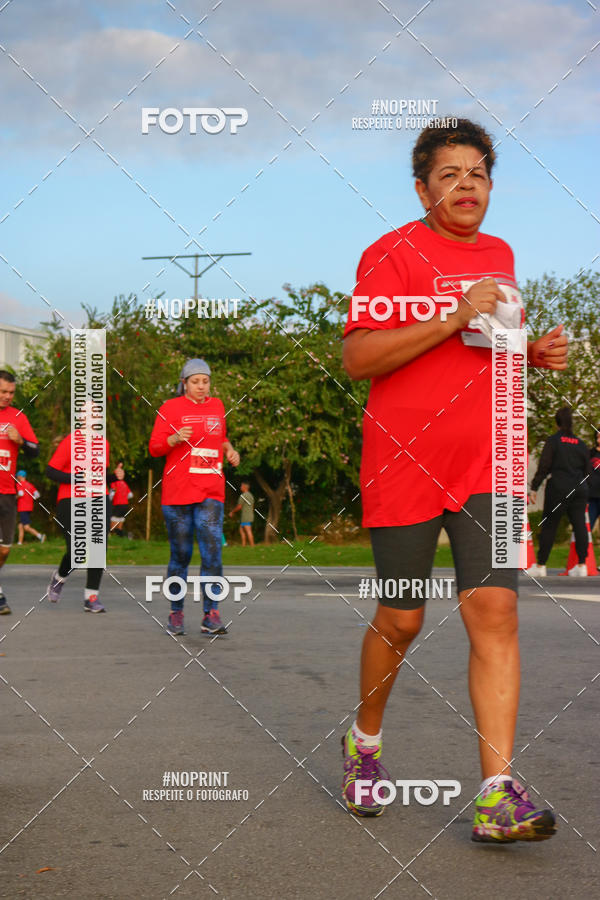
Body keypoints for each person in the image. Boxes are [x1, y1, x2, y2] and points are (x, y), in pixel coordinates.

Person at [342, 119, 568, 843]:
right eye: (449, 174)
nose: (466, 184)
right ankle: (365, 744)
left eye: (478, 172)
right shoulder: (390, 253)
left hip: (490, 465)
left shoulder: (500, 255)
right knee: (403, 617)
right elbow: (360, 358)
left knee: (496, 613)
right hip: (404, 460)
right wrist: (451, 315)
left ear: (491, 187)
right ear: (422, 189)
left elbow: (480, 346)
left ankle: (498, 794)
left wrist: (526, 352)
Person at [149, 358, 240, 636]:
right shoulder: (170, 408)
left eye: (205, 381)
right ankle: (176, 613)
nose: (201, 386)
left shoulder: (218, 406)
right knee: (181, 554)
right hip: (177, 493)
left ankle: (210, 613)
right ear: (184, 383)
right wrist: (174, 439)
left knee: (213, 552)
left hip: (211, 490)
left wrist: (230, 450)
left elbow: (220, 437)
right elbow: (154, 447)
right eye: (195, 381)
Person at [45, 421, 113, 612]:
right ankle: (59, 578)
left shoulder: (103, 444)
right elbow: (50, 471)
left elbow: (102, 475)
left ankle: (91, 598)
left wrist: (115, 476)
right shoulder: (70, 442)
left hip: (99, 498)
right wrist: (76, 477)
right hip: (71, 500)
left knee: (99, 547)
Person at [527, 408, 590, 577]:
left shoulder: (554, 441)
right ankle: (582, 565)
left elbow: (544, 466)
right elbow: (588, 469)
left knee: (549, 525)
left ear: (556, 422)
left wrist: (534, 487)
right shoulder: (581, 444)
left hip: (559, 488)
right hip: (579, 489)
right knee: (579, 526)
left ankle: (540, 566)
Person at [0, 371, 39, 614]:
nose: (7, 396)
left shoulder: (18, 417)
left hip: (7, 492)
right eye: (3, 391)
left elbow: (36, 449)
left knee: (4, 548)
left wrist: (21, 441)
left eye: (11, 393)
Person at [16, 470, 46, 544]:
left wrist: (16, 497)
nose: (17, 477)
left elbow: (20, 494)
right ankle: (19, 543)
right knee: (20, 525)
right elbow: (37, 495)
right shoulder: (30, 485)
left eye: (18, 476)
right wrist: (31, 498)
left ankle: (40, 536)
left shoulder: (19, 484)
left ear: (20, 476)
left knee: (26, 527)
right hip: (29, 507)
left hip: (22, 507)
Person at [110, 461, 133, 538]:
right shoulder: (124, 483)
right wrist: (123, 497)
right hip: (125, 504)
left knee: (113, 518)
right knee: (120, 519)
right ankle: (120, 535)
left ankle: (111, 534)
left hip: (117, 503)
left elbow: (112, 494)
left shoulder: (114, 483)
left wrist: (110, 499)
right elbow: (130, 495)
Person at [229, 481, 255, 546]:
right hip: (249, 515)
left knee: (248, 531)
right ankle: (243, 545)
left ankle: (252, 545)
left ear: (244, 487)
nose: (240, 487)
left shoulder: (243, 496)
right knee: (241, 529)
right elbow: (253, 506)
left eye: (241, 486)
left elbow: (239, 506)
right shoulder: (250, 495)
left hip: (245, 516)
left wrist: (232, 512)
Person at [588, 430, 600, 532]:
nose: (599, 440)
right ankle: (584, 547)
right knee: (588, 525)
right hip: (592, 497)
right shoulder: (590, 453)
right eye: (597, 437)